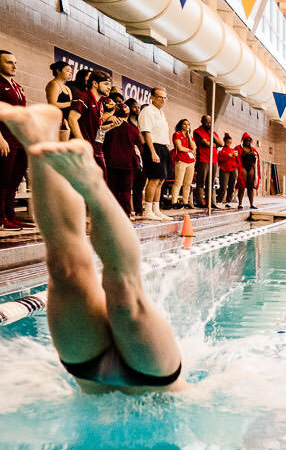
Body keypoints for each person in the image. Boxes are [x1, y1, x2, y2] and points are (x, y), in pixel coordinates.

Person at [0, 103, 183, 391]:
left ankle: (37, 137)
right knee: (124, 293)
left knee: (64, 270)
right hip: (152, 376)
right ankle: (94, 187)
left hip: (91, 372)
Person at [0, 50, 29, 229]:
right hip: (5, 136)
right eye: (9, 62)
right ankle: (1, 218)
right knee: (3, 178)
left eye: (15, 62)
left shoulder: (17, 86)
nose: (14, 66)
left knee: (14, 179)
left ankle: (11, 215)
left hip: (19, 139)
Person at [101, 97, 142, 216]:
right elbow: (139, 147)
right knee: (125, 191)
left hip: (110, 162)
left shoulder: (107, 126)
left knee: (111, 190)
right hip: (127, 164)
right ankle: (125, 214)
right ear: (128, 115)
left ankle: (110, 214)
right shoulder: (133, 130)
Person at [137, 87, 170, 221]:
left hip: (163, 147)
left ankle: (156, 210)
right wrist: (153, 152)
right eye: (160, 97)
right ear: (152, 97)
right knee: (154, 179)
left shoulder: (161, 113)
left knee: (161, 180)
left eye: (164, 97)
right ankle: (148, 210)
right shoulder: (147, 111)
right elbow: (147, 133)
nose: (162, 100)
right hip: (153, 147)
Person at [45, 61, 74, 137]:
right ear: (58, 71)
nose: (70, 73)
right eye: (67, 71)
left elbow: (71, 106)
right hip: (57, 121)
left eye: (71, 72)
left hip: (66, 121)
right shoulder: (53, 84)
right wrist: (71, 103)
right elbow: (52, 104)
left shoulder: (67, 88)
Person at [169, 119, 194, 208]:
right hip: (181, 160)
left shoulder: (188, 136)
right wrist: (189, 150)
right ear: (181, 125)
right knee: (178, 182)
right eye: (184, 124)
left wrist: (189, 136)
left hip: (190, 162)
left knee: (187, 183)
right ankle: (174, 202)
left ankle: (185, 202)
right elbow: (180, 148)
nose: (187, 126)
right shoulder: (177, 134)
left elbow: (194, 147)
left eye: (188, 124)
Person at [192, 115, 213, 208]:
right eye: (207, 122)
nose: (208, 124)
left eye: (210, 122)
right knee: (201, 182)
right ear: (202, 122)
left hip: (212, 159)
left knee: (210, 183)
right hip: (202, 159)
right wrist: (212, 144)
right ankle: (200, 202)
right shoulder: (198, 131)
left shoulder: (212, 132)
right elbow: (207, 144)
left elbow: (220, 143)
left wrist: (211, 133)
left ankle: (210, 202)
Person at [237, 134, 260, 209]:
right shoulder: (239, 148)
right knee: (242, 185)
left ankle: (251, 203)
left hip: (250, 167)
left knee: (250, 186)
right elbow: (237, 158)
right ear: (243, 140)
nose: (248, 142)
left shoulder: (253, 150)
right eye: (246, 140)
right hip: (243, 167)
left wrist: (254, 155)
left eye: (249, 141)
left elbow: (256, 160)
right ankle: (240, 203)